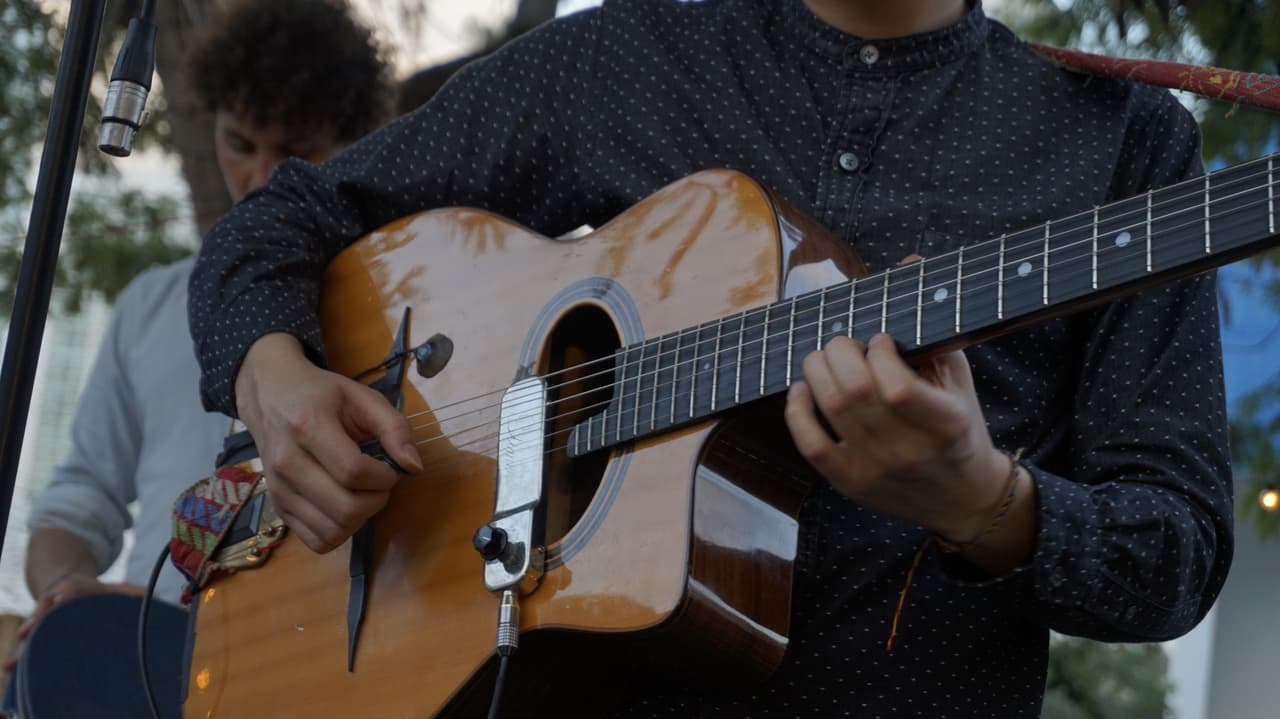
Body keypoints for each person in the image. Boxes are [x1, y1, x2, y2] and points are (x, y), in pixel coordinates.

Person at [188, 0, 1235, 716]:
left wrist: (980, 498)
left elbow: (1175, 549)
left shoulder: (1121, 144)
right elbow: (281, 221)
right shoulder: (616, 60)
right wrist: (272, 380)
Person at [16, 0, 394, 661]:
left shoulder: (410, 296)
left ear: (358, 144)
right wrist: (66, 587)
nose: (262, 181)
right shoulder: (150, 304)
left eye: (296, 153)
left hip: (323, 664)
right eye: (240, 144)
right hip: (149, 664)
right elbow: (80, 498)